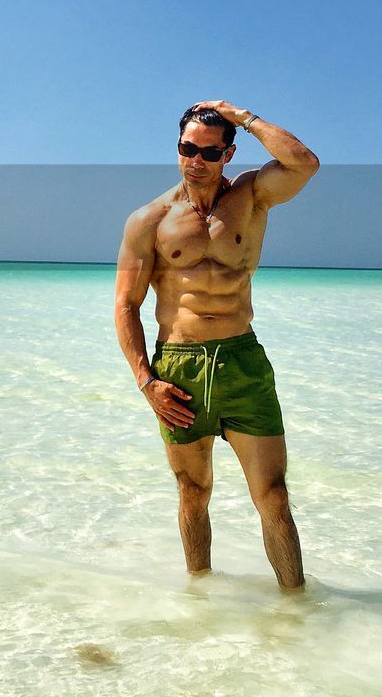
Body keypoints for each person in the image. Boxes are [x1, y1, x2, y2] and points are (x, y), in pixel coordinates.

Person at [114, 100, 319, 591]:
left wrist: (242, 116)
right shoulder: (149, 220)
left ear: (228, 154)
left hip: (242, 361)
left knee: (272, 496)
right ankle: (200, 600)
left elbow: (303, 163)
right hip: (178, 368)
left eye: (208, 152)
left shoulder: (251, 197)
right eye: (187, 149)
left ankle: (296, 608)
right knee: (192, 491)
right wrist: (147, 383)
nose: (195, 161)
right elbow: (126, 305)